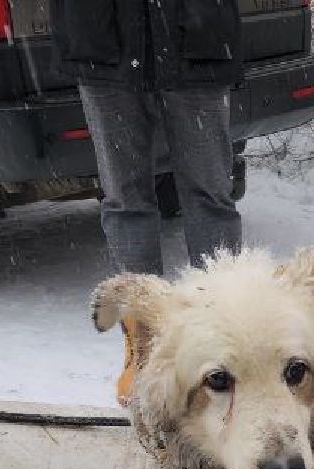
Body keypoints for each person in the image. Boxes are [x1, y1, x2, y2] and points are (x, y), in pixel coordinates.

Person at [52, 0, 243, 277]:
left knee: (209, 197)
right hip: (102, 45)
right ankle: (141, 316)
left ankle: (220, 312)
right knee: (126, 199)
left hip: (198, 40)